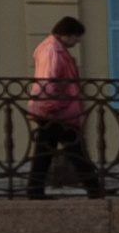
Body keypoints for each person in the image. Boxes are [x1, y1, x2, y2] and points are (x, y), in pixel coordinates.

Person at [24, 14, 103, 198]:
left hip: (55, 109)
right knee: (75, 150)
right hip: (57, 110)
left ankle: (35, 191)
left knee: (46, 153)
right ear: (67, 34)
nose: (77, 41)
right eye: (76, 37)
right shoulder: (53, 51)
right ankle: (94, 189)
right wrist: (51, 105)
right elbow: (48, 80)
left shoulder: (53, 49)